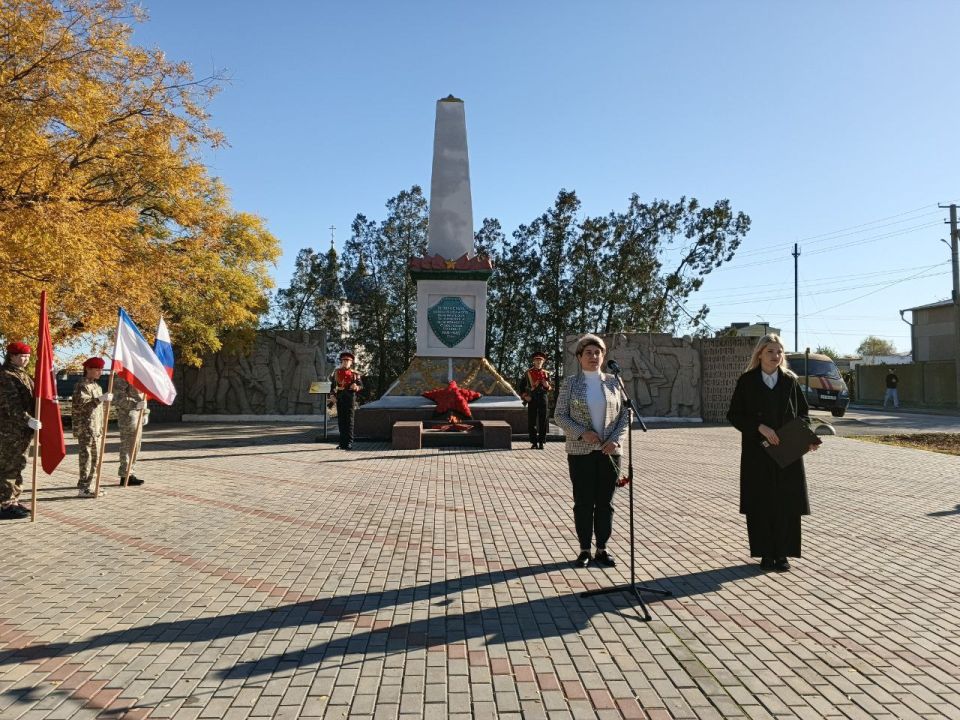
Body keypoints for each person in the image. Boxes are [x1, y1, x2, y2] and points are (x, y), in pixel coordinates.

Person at [727, 334, 817, 572]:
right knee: (761, 501)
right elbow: (734, 415)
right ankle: (766, 554)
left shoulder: (790, 381)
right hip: (757, 453)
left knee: (786, 501)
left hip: (787, 452)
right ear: (760, 353)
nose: (776, 356)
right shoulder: (746, 381)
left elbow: (804, 414)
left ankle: (783, 554)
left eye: (779, 352)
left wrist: (806, 438)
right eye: (770, 351)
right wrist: (759, 427)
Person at [554, 334, 629, 569]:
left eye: (598, 352)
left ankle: (602, 549)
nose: (593, 357)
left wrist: (615, 440)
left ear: (603, 356)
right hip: (580, 452)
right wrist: (581, 432)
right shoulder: (570, 383)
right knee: (584, 502)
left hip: (609, 452)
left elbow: (626, 414)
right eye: (588, 353)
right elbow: (559, 415)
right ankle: (584, 549)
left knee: (605, 503)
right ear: (579, 357)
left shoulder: (614, 382)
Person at [0, 342, 40, 520]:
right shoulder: (5, 376)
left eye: (28, 356)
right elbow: (11, 406)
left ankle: (13, 500)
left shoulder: (23, 375)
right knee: (8, 466)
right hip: (9, 431)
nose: (25, 359)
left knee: (18, 465)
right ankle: (4, 504)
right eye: (22, 356)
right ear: (12, 356)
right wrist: (28, 419)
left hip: (21, 431)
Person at [72, 357, 112, 497]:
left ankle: (91, 484)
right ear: (88, 369)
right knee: (87, 458)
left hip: (96, 428)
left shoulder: (97, 386)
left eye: (101, 369)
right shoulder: (82, 385)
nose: (100, 372)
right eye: (97, 369)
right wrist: (99, 399)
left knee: (96, 458)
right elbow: (82, 406)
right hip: (86, 428)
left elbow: (98, 411)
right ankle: (84, 488)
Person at [113, 374, 147, 486]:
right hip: (128, 414)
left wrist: (145, 412)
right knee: (128, 444)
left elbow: (142, 395)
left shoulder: (138, 371)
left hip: (138, 413)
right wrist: (135, 404)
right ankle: (125, 475)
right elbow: (118, 398)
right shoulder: (123, 374)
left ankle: (130, 473)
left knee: (136, 445)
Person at [518, 351, 552, 449]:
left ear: (543, 361)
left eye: (540, 360)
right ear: (533, 361)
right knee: (531, 421)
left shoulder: (546, 373)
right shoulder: (528, 373)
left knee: (543, 421)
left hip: (543, 398)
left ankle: (541, 442)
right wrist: (525, 396)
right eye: (537, 360)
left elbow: (550, 388)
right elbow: (521, 387)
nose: (538, 362)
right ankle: (533, 442)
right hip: (532, 398)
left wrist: (547, 385)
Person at [329, 351, 362, 450]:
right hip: (339, 399)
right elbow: (332, 386)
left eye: (348, 361)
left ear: (351, 362)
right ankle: (342, 443)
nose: (345, 362)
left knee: (349, 422)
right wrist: (332, 395)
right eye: (344, 360)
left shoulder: (355, 374)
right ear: (341, 361)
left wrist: (356, 387)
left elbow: (361, 386)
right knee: (341, 421)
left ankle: (349, 443)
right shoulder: (336, 372)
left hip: (350, 399)